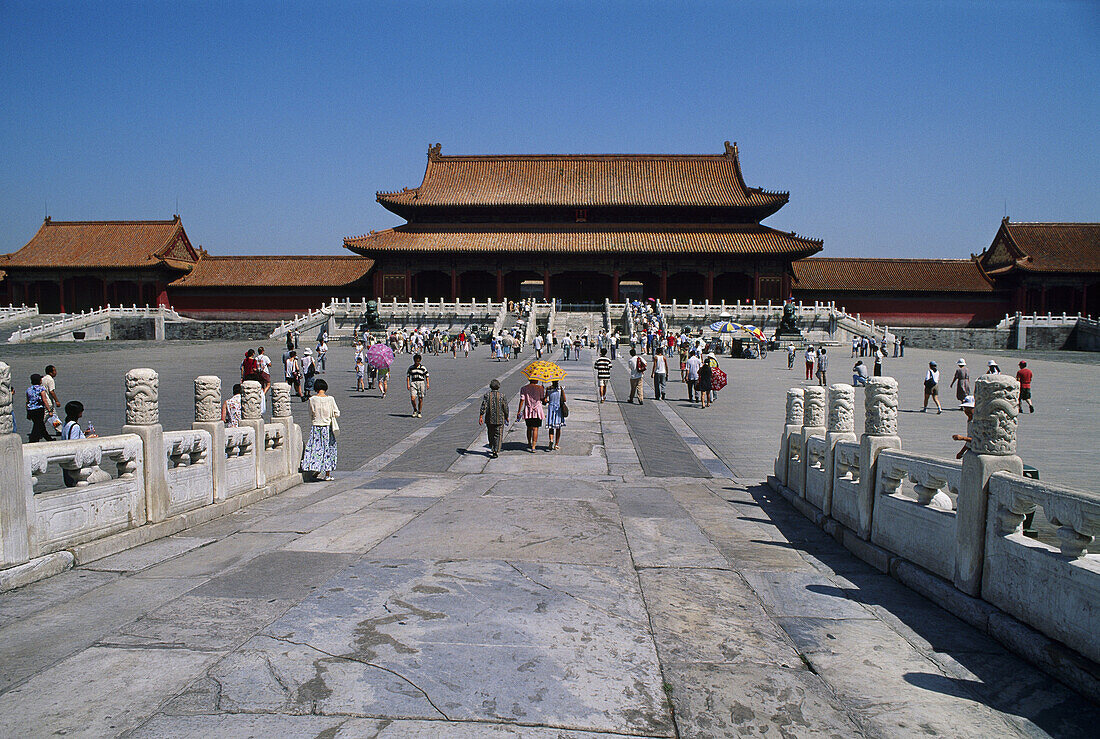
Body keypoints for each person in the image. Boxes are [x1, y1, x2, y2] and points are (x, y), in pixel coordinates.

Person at [301, 378, 339, 481]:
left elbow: (310, 413)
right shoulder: (330, 399)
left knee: (316, 448)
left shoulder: (312, 399)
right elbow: (337, 413)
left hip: (316, 427)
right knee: (328, 449)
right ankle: (327, 474)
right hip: (327, 427)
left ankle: (315, 468)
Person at [60, 401, 99, 486]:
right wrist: (89, 438)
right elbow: (74, 442)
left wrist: (84, 434)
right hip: (74, 460)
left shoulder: (66, 423)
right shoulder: (75, 426)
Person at [479, 378, 510, 458]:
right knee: (498, 435)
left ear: (490, 387)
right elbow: (505, 407)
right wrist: (507, 416)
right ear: (498, 387)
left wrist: (481, 416)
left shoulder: (487, 395)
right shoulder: (502, 396)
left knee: (491, 434)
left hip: (489, 419)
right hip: (500, 419)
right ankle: (496, 450)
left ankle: (492, 447)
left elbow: (484, 406)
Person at [517, 377, 545, 452]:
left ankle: (529, 442)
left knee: (529, 427)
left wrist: (519, 411)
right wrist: (543, 390)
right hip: (537, 410)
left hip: (528, 410)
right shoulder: (540, 388)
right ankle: (533, 446)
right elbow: (542, 399)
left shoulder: (524, 388)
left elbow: (522, 400)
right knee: (535, 428)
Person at [25, 374, 52, 443]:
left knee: (39, 424)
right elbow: (44, 400)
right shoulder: (41, 389)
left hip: (31, 410)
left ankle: (48, 438)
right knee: (38, 424)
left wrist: (27, 411)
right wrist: (49, 410)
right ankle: (33, 440)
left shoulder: (29, 389)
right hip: (39, 409)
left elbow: (27, 401)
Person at [544, 380, 566, 451]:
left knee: (551, 426)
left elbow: (545, 400)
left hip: (551, 408)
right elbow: (564, 399)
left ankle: (551, 440)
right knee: (558, 427)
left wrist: (548, 401)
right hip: (558, 409)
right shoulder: (560, 388)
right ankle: (556, 444)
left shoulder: (548, 389)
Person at [406, 353, 430, 418]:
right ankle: (415, 409)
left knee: (420, 398)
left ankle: (419, 411)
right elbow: (408, 376)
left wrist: (427, 383)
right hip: (413, 383)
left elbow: (426, 375)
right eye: (416, 360)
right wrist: (408, 384)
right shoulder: (411, 368)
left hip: (421, 383)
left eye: (418, 360)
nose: (417, 362)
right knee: (412, 398)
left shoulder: (423, 368)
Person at [42, 365, 61, 436]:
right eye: (54, 371)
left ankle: (59, 429)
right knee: (45, 417)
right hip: (48, 402)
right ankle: (38, 429)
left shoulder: (43, 379)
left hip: (45, 401)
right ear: (50, 372)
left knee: (54, 416)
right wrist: (57, 401)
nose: (56, 372)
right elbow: (51, 391)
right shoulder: (50, 380)